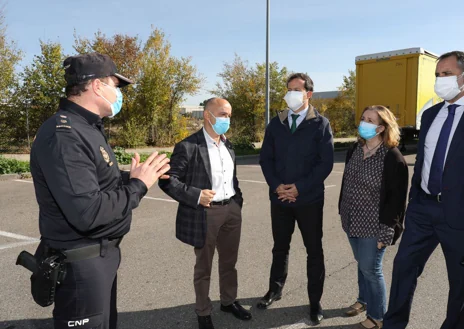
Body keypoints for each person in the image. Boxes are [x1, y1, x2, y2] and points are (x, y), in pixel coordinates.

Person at [29, 53, 170, 329]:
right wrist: (138, 186)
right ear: (96, 86)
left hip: (100, 259)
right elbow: (87, 212)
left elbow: (94, 181)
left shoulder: (87, 128)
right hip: (81, 265)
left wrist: (133, 176)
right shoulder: (64, 135)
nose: (118, 93)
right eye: (115, 85)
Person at [383, 51, 464, 329]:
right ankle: (393, 324)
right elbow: (422, 162)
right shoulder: (430, 115)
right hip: (422, 209)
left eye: (447, 74)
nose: (441, 80)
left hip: (459, 215)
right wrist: (414, 201)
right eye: (438, 75)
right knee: (403, 269)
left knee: (460, 286)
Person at [158, 98, 250, 329]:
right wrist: (196, 195)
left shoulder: (228, 145)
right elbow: (168, 181)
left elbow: (232, 179)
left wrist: (237, 202)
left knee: (229, 262)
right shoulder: (188, 146)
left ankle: (228, 302)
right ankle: (203, 311)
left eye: (229, 115)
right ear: (207, 116)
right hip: (205, 213)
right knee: (204, 266)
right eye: (222, 114)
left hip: (231, 211)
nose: (226, 120)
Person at [258, 73, 334, 324]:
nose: (290, 93)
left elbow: (325, 164)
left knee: (314, 251)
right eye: (288, 89)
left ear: (308, 94)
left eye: (296, 89)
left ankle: (315, 301)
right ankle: (275, 290)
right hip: (279, 199)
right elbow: (266, 159)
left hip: (309, 200)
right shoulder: (276, 123)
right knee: (280, 247)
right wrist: (277, 186)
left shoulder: (320, 124)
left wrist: (299, 188)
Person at [339, 105, 408, 329]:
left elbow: (397, 200)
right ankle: (363, 300)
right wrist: (342, 209)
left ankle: (378, 317)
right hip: (352, 220)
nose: (364, 123)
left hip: (374, 225)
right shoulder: (355, 150)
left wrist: (388, 231)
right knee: (362, 265)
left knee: (371, 269)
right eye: (363, 118)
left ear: (381, 127)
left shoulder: (392, 157)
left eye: (370, 120)